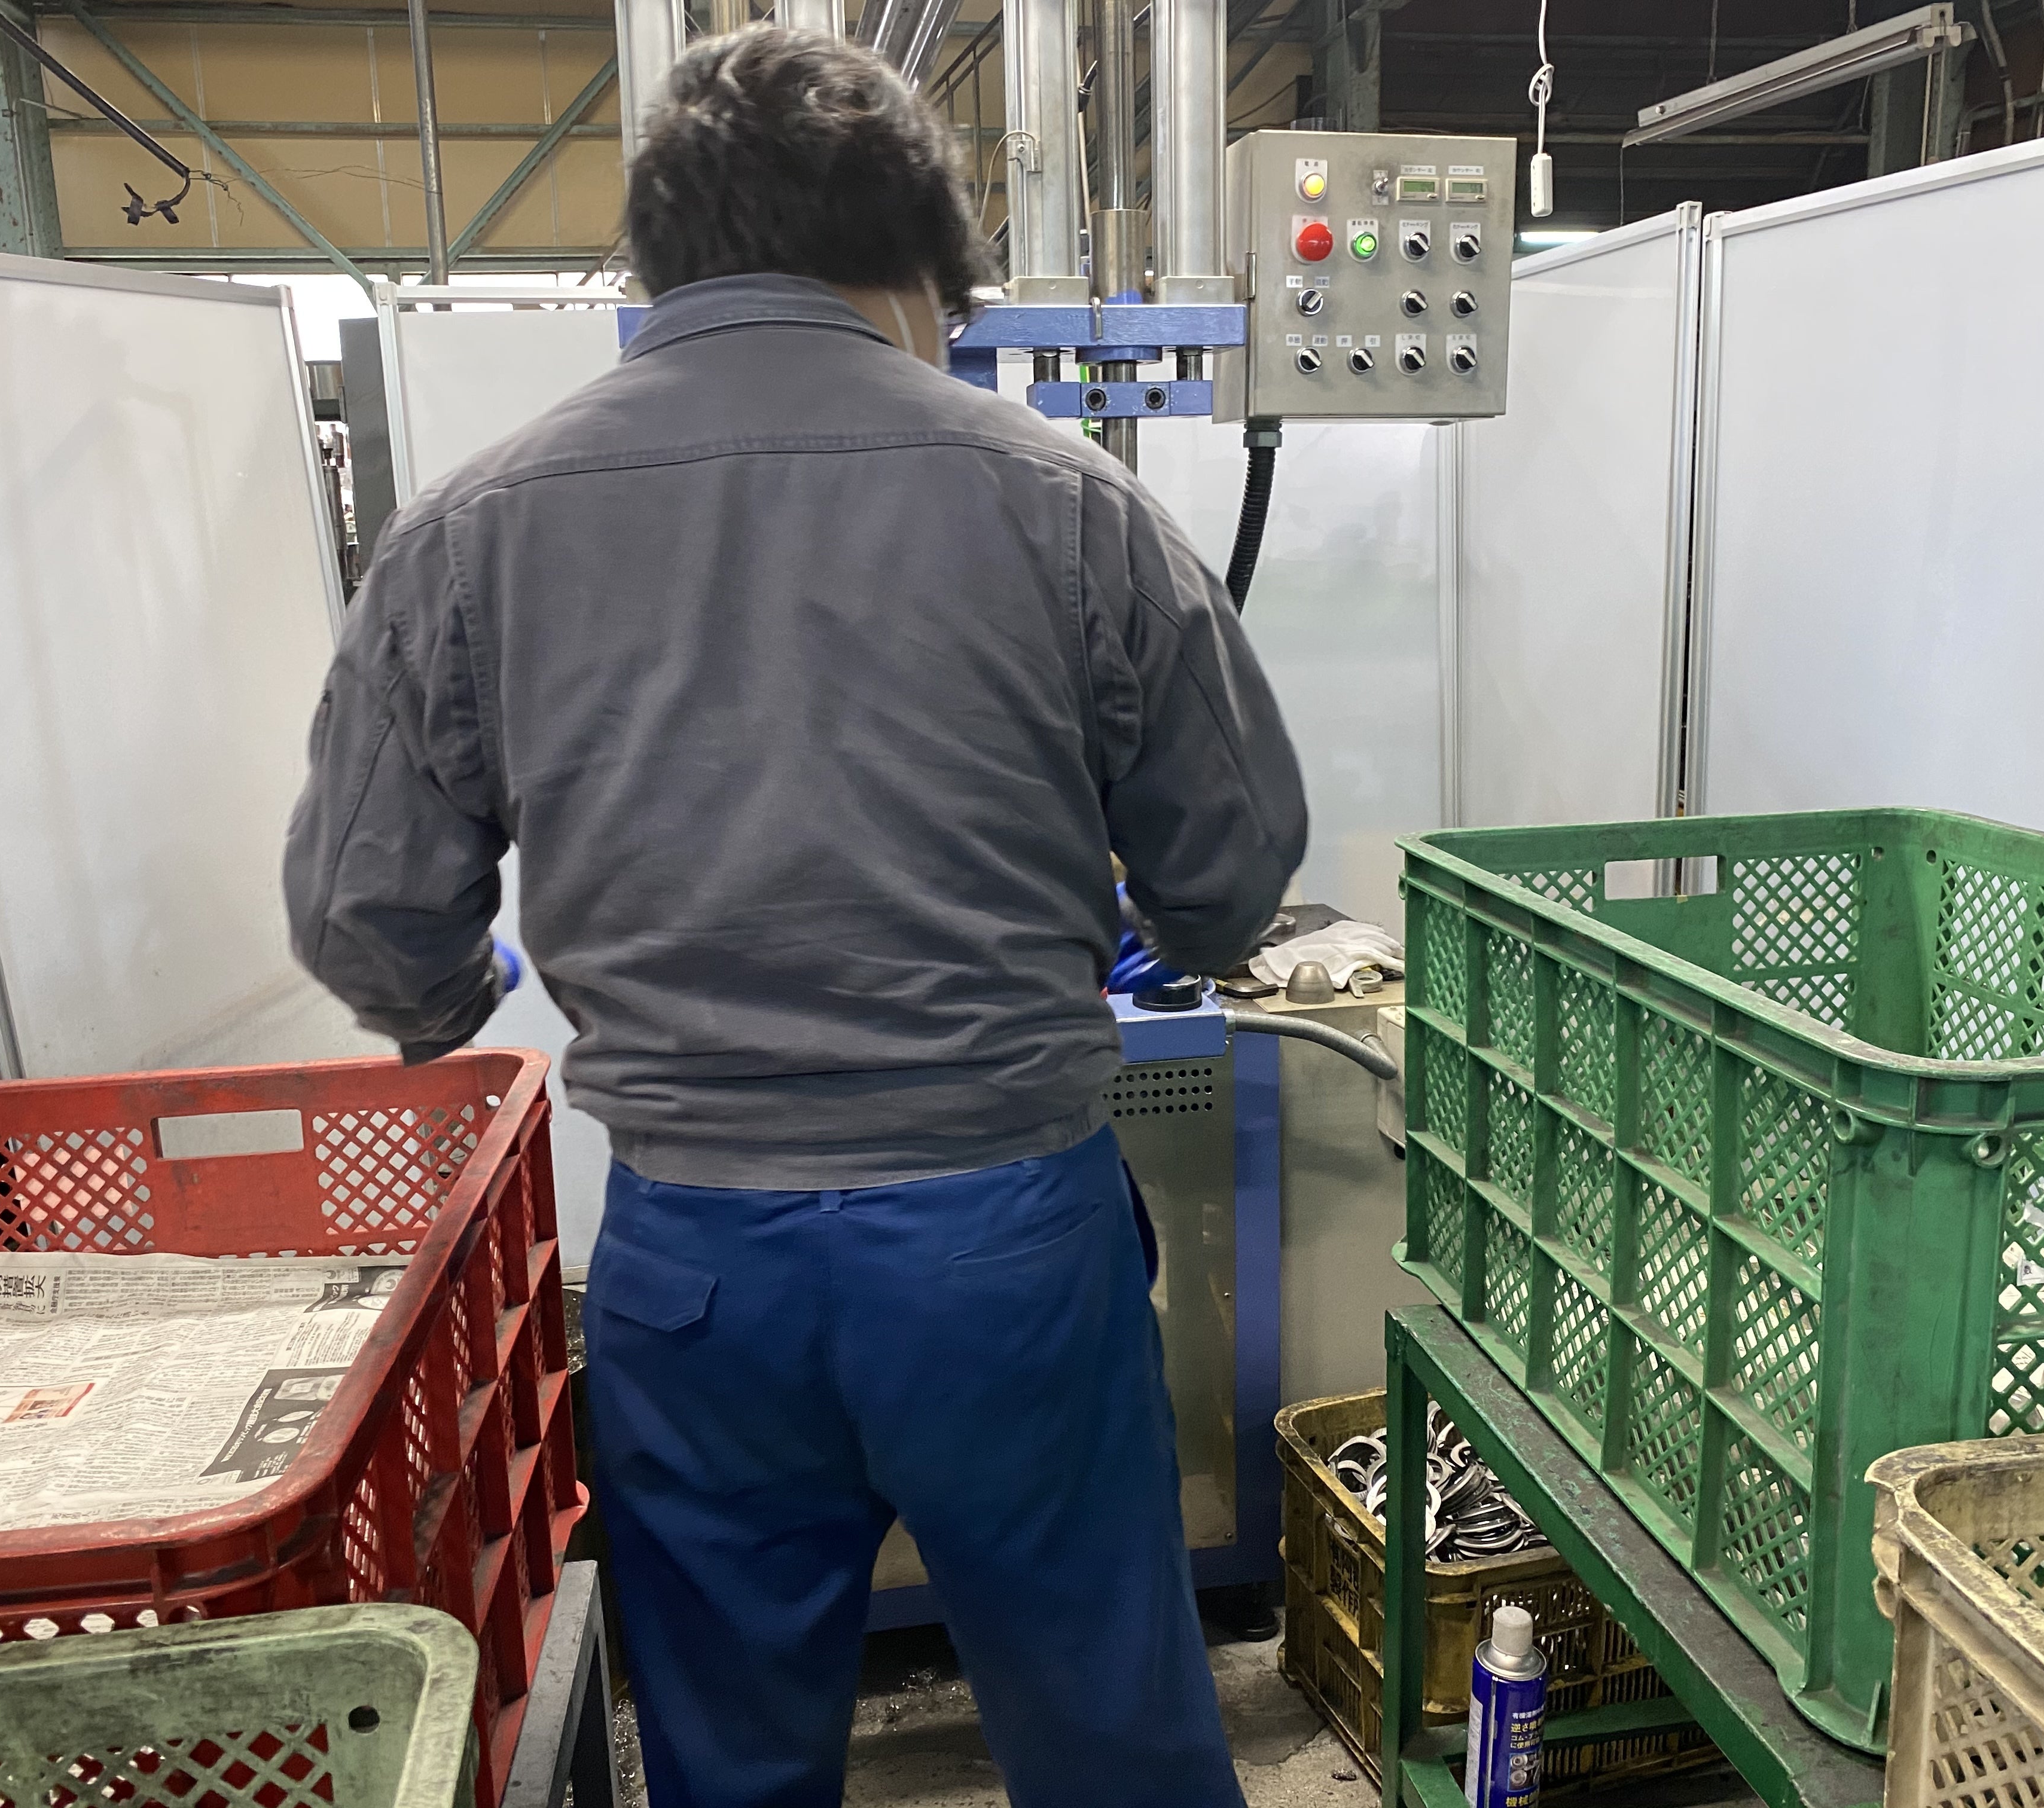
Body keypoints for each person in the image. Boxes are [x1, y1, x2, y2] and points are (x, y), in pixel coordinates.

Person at [283, 25, 1305, 1808]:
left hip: (696, 1271)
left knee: (734, 1759)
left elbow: (369, 922)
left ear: (658, 264)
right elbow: (1232, 871)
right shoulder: (1070, 501)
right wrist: (1144, 917)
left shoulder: (471, 530)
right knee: (1114, 1735)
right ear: (918, 272)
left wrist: (467, 980)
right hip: (1006, 1244)